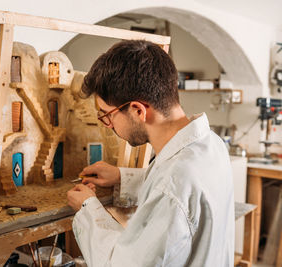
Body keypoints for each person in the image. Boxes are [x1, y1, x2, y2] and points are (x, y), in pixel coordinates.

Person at [66, 40, 234, 267]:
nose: (108, 124)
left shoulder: (174, 184)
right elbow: (179, 197)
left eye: (107, 115)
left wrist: (88, 209)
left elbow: (123, 264)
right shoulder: (210, 144)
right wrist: (122, 178)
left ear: (137, 110)